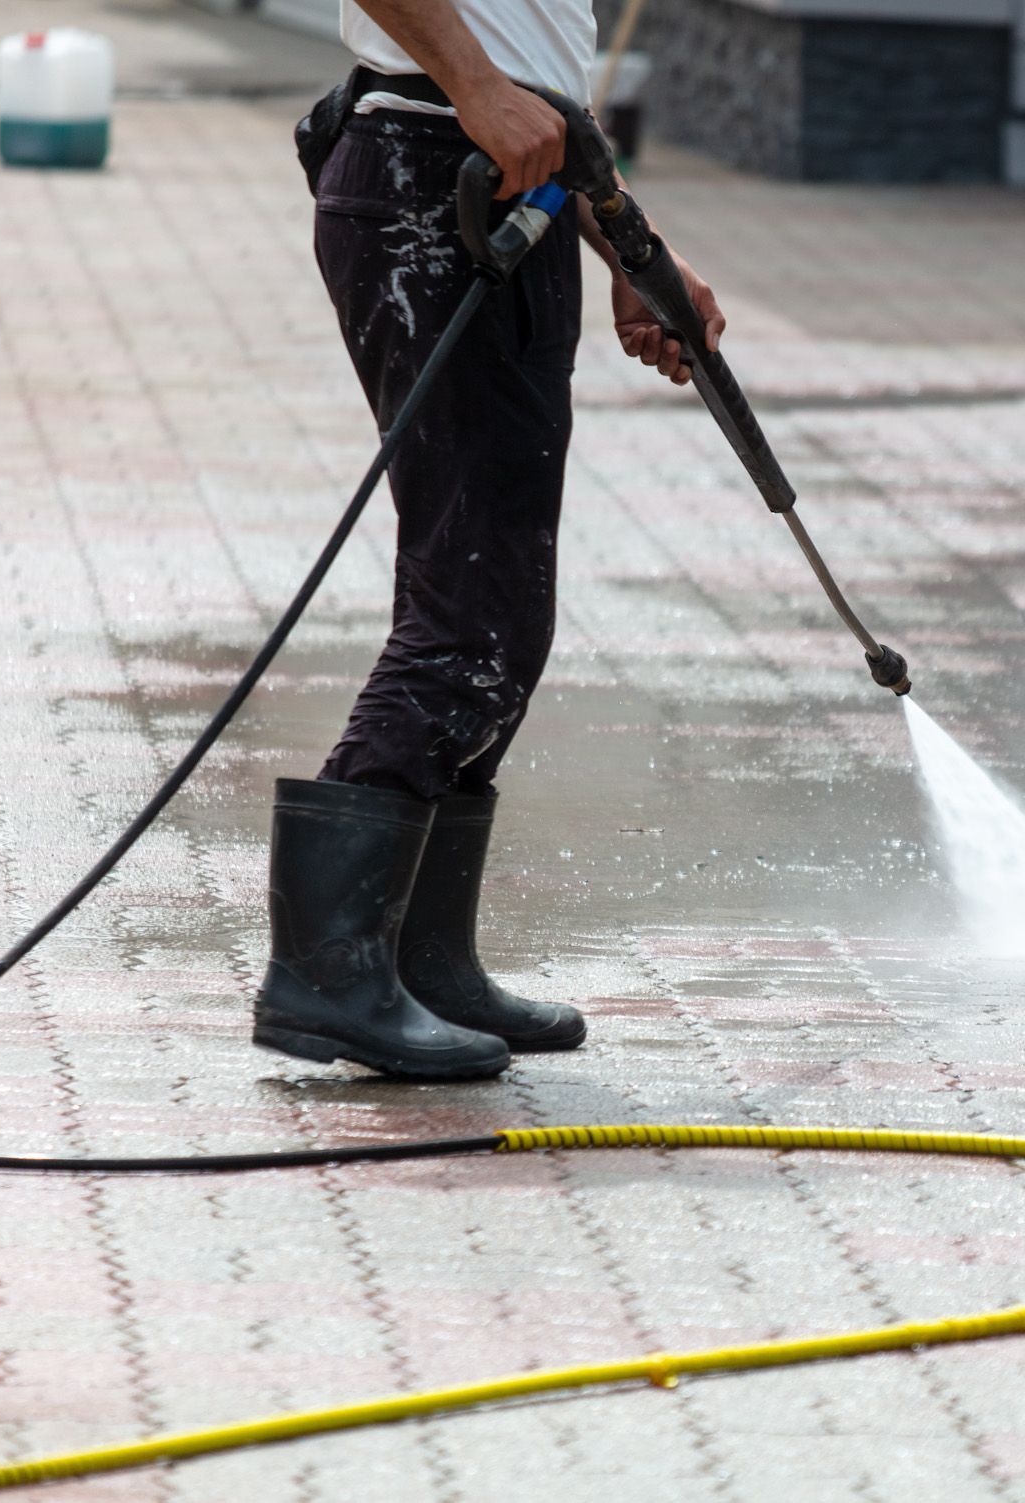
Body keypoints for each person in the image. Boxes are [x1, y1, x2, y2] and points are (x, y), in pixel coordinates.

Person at [251, 0, 725, 1080]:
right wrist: (470, 86)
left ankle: (421, 959)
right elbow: (495, 84)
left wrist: (626, 240)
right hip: (431, 179)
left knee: (506, 609)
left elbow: (536, 79)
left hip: (500, 182)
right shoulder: (453, 107)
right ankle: (326, 974)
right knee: (469, 617)